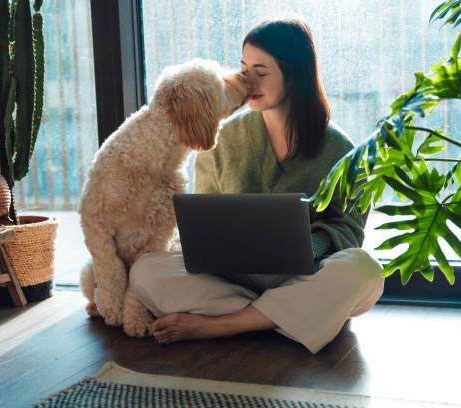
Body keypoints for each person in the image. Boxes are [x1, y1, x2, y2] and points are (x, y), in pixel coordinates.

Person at [128, 15, 384, 354]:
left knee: (365, 271)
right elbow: (202, 220)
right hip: (231, 278)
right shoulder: (223, 139)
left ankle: (224, 325)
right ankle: (285, 317)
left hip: (301, 277)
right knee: (146, 270)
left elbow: (349, 229)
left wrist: (312, 248)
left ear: (294, 76)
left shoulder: (341, 150)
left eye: (261, 72)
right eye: (244, 70)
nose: (249, 81)